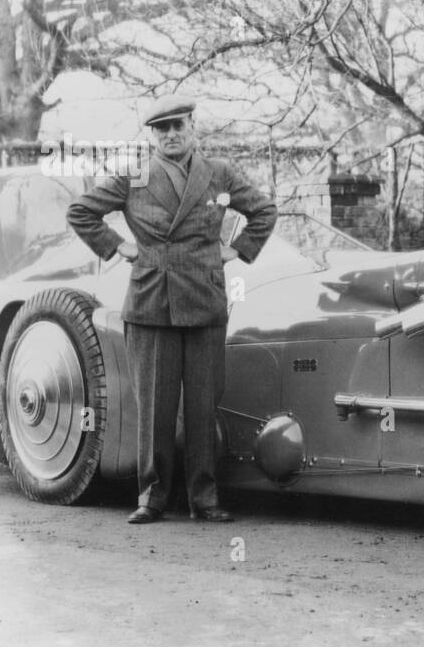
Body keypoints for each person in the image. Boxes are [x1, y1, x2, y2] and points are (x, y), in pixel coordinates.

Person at [67, 95, 278, 523]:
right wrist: (119, 246)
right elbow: (81, 212)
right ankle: (153, 497)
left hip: (204, 298)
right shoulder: (134, 173)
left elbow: (264, 211)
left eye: (178, 126)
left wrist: (235, 251)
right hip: (151, 302)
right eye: (161, 129)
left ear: (192, 128)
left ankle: (205, 498)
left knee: (203, 405)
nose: (171, 135)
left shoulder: (219, 173)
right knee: (155, 408)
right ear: (152, 136)